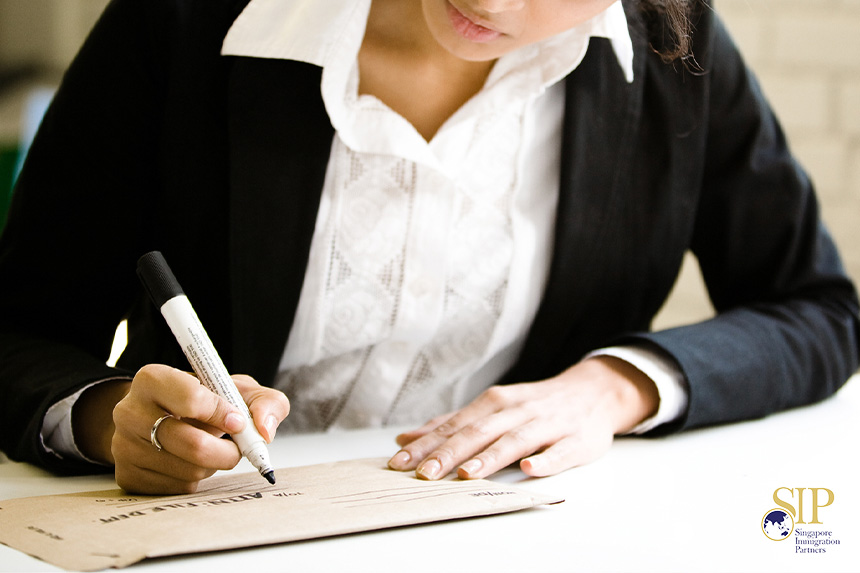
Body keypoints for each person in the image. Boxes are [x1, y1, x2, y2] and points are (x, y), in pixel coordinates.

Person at [0, 0, 857, 495]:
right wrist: (108, 416)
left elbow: (818, 309)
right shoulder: (182, 22)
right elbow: (18, 329)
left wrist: (616, 385)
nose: (490, 0)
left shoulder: (676, 50)